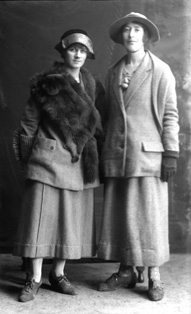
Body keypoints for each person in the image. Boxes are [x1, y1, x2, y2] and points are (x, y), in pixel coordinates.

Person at [13, 29, 105, 302]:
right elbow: (28, 122)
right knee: (40, 221)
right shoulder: (48, 83)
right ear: (63, 51)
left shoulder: (92, 85)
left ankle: (59, 274)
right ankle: (35, 277)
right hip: (48, 159)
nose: (77, 54)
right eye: (72, 49)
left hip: (79, 162)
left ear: (88, 55)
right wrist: (30, 159)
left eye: (83, 50)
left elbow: (97, 126)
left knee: (69, 221)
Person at [97, 12, 179, 301]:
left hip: (149, 157)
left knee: (148, 216)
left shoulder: (160, 70)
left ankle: (154, 276)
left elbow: (170, 115)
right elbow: (108, 117)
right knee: (123, 216)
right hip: (118, 155)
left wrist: (170, 153)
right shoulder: (114, 71)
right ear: (121, 37)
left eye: (137, 30)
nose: (131, 34)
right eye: (127, 30)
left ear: (145, 36)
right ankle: (127, 269)